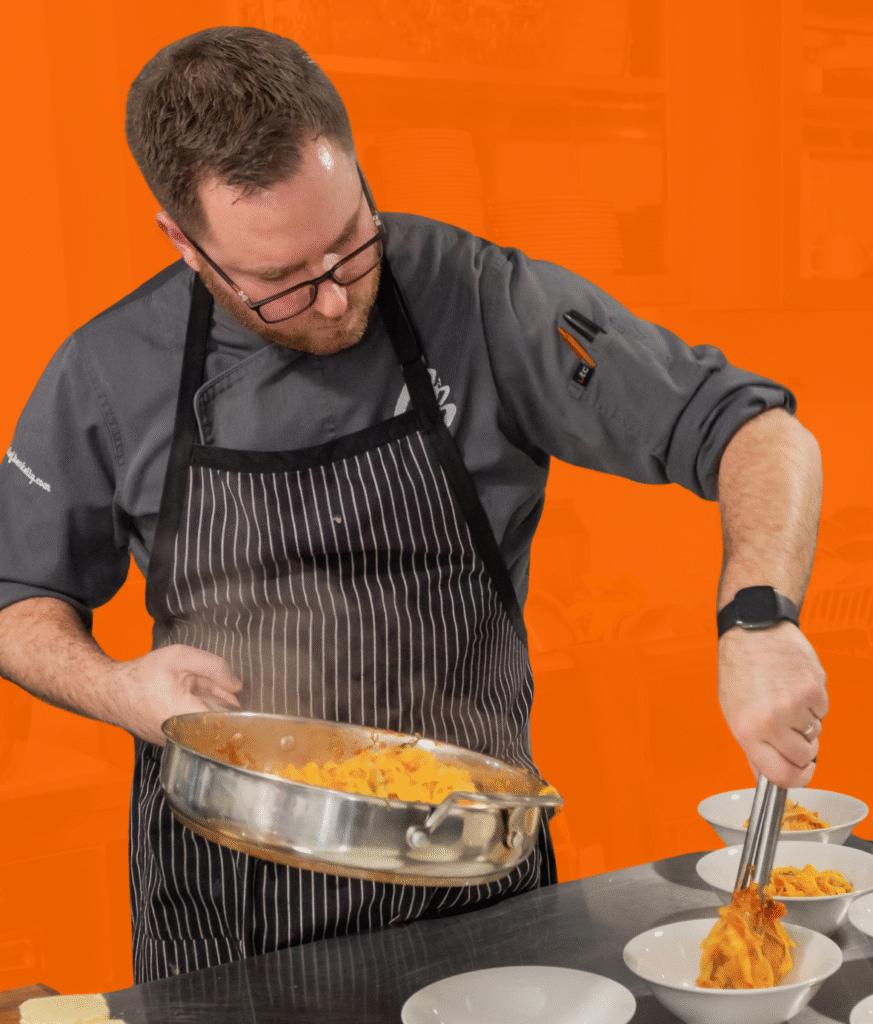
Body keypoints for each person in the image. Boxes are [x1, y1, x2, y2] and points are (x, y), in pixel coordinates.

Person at [0, 26, 826, 983]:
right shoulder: (108, 371)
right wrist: (120, 691)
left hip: (472, 887)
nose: (332, 300)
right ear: (184, 243)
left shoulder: (480, 301)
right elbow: (17, 601)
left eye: (349, 245)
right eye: (279, 282)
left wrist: (758, 618)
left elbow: (759, 433)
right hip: (226, 915)